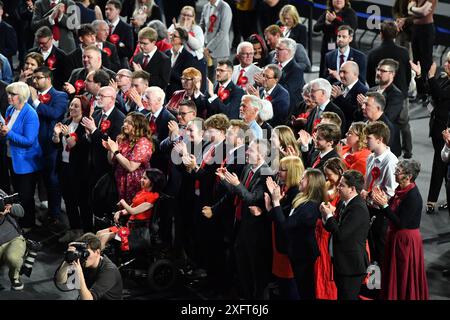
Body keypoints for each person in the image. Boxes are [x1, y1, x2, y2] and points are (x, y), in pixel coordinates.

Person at [371, 159, 428, 300]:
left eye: (398, 172)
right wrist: (382, 201)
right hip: (396, 237)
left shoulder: (413, 197)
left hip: (406, 241)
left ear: (408, 177)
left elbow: (401, 222)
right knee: (394, 271)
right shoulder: (400, 190)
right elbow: (391, 212)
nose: (395, 174)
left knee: (403, 274)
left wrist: (384, 206)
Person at [267, 168, 326, 299]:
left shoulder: (310, 206)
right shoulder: (302, 199)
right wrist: (274, 206)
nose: (300, 180)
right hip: (298, 254)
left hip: (304, 257)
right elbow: (285, 219)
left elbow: (285, 226)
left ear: (311, 183)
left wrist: (275, 201)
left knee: (305, 292)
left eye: (303, 178)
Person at [319, 170, 370, 300]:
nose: (338, 188)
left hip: (351, 267)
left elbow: (340, 234)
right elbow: (334, 227)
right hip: (341, 263)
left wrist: (329, 215)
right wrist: (326, 216)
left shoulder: (357, 208)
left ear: (352, 189)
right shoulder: (344, 202)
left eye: (342, 185)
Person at [410, 56, 450, 214]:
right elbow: (426, 91)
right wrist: (420, 76)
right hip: (436, 127)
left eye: (449, 62)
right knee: (442, 164)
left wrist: (431, 77)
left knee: (440, 164)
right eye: (446, 61)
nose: (445, 64)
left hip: (447, 130)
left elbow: (440, 93)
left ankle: (431, 201)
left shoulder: (439, 78)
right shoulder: (442, 77)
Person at [0, 82, 42, 232]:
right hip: (12, 157)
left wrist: (8, 133)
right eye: (8, 93)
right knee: (17, 193)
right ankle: (21, 220)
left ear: (22, 96)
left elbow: (29, 140)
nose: (9, 97)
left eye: (12, 94)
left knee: (26, 195)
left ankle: (28, 224)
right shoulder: (10, 109)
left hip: (26, 162)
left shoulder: (30, 114)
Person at [96, 168, 166, 250]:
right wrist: (121, 212)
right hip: (128, 229)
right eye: (142, 177)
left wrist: (123, 202)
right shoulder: (142, 193)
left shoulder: (153, 197)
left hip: (138, 234)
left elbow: (133, 211)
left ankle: (99, 260)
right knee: (99, 234)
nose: (141, 180)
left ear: (153, 182)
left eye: (145, 178)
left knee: (105, 237)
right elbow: (130, 209)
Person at [53, 96, 91, 241]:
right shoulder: (66, 121)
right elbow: (57, 144)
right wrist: (56, 135)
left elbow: (76, 146)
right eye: (71, 105)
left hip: (80, 170)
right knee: (69, 200)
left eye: (76, 106)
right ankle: (74, 229)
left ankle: (87, 234)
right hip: (64, 165)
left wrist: (67, 134)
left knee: (83, 202)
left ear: (83, 109)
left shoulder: (85, 125)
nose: (72, 108)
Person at [265, 156, 303, 300]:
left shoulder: (296, 194)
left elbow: (284, 222)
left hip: (289, 251)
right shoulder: (287, 190)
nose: (278, 172)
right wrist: (271, 206)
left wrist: (275, 203)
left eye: (282, 169)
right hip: (281, 248)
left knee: (290, 290)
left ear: (292, 172)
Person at [103, 112, 153, 204]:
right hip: (119, 182)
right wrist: (110, 149)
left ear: (138, 126)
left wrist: (116, 151)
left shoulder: (143, 142)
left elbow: (131, 167)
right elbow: (111, 161)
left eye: (129, 123)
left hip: (135, 184)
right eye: (125, 121)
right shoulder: (121, 139)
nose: (125, 124)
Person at [55, 233, 123, 300]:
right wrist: (68, 260)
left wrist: (79, 275)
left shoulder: (109, 271)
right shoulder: (83, 261)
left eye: (86, 253)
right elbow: (61, 281)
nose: (84, 257)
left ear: (97, 252)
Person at [313, 0, 358, 79]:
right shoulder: (328, 13)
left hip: (346, 49)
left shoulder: (350, 12)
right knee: (326, 74)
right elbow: (316, 28)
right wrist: (326, 23)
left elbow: (351, 28)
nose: (338, 0)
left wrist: (335, 20)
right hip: (328, 48)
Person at [0, 189, 27, 291]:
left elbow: (21, 212)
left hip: (12, 238)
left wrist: (11, 207)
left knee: (13, 258)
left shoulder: (0, 193)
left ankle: (15, 278)